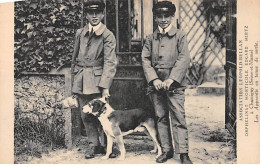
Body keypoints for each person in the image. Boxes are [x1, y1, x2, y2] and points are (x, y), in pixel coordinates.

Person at [141, 1, 192, 164]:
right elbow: (145, 59)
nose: (163, 20)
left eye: (167, 16)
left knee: (178, 117)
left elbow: (184, 58)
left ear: (172, 16)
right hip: (156, 86)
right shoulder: (150, 38)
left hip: (174, 85)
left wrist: (172, 79)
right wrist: (154, 79)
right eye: (160, 16)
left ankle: (183, 152)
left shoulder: (180, 35)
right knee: (161, 117)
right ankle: (166, 150)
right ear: (155, 18)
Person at [71, 0, 117, 159]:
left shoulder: (108, 35)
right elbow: (74, 58)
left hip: (98, 80)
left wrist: (105, 86)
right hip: (82, 78)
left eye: (98, 12)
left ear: (103, 14)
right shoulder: (80, 33)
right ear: (86, 15)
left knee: (103, 114)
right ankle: (93, 145)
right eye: (91, 13)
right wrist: (74, 79)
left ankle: (107, 146)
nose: (95, 16)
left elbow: (110, 62)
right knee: (86, 114)